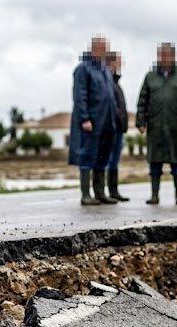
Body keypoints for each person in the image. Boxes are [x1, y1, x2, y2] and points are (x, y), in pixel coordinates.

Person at [136, 43, 177, 205]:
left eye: (167, 55)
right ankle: (154, 195)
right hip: (155, 126)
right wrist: (140, 121)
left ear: (173, 57)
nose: (164, 58)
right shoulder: (150, 77)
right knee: (155, 162)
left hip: (175, 126)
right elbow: (142, 101)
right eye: (161, 55)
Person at [69, 36, 118, 205]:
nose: (106, 51)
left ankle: (100, 193)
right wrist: (85, 118)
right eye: (104, 48)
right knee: (87, 156)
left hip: (107, 121)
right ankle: (85, 194)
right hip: (91, 121)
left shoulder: (105, 70)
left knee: (102, 157)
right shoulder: (83, 69)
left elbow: (110, 97)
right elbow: (79, 95)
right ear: (95, 49)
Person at [105, 51, 130, 202]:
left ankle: (114, 191)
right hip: (111, 127)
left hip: (119, 128)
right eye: (119, 62)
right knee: (108, 160)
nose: (121, 65)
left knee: (114, 160)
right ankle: (105, 192)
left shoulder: (115, 82)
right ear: (111, 63)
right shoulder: (107, 81)